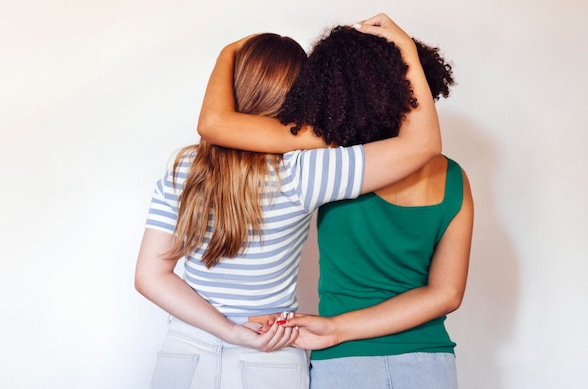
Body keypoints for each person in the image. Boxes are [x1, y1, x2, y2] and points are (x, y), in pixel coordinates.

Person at [136, 13, 441, 389]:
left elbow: (150, 276)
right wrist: (405, 50)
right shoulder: (304, 171)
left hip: (185, 350)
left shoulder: (184, 170)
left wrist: (229, 331)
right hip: (269, 352)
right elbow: (423, 145)